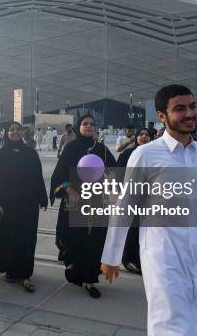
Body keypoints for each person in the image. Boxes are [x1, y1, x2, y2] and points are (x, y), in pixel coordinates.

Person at [101, 84, 197, 336]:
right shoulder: (146, 155)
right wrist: (111, 255)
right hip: (162, 257)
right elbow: (125, 206)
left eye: (192, 106)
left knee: (188, 321)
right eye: (180, 109)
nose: (190, 114)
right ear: (162, 116)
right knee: (171, 326)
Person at [50, 114, 117, 298]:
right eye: (85, 124)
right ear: (79, 126)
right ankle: (74, 268)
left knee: (95, 240)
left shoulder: (102, 150)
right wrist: (68, 189)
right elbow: (58, 175)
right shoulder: (71, 148)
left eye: (92, 124)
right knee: (73, 238)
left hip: (96, 202)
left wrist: (110, 181)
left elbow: (113, 171)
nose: (89, 127)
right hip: (74, 202)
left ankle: (90, 279)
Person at [0, 122, 48, 292]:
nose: (15, 132)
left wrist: (42, 198)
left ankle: (24, 273)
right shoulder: (0, 155)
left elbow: (38, 176)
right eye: (11, 130)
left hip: (27, 204)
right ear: (6, 133)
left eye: (18, 129)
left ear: (22, 132)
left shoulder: (30, 153)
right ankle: (10, 270)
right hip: (6, 205)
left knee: (27, 237)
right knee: (7, 237)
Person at [115, 127, 152, 274]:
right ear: (136, 137)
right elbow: (118, 174)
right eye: (141, 134)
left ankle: (143, 258)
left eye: (147, 135)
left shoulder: (154, 155)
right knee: (133, 229)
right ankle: (129, 259)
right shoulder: (129, 153)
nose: (144, 137)